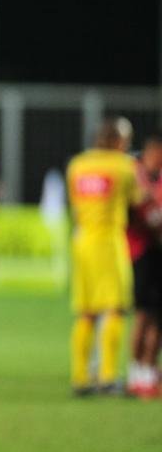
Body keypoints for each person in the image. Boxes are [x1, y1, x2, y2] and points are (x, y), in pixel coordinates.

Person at [66, 117, 143, 396]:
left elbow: (74, 206)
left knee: (85, 311)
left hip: (82, 239)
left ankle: (80, 378)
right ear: (119, 141)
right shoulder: (124, 166)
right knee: (115, 307)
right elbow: (139, 200)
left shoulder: (77, 165)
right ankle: (109, 376)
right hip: (110, 241)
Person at [127, 131, 162, 398]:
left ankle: (149, 373)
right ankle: (137, 373)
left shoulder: (154, 177)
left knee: (156, 317)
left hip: (155, 252)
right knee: (144, 314)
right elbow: (145, 213)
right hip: (141, 253)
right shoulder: (134, 173)